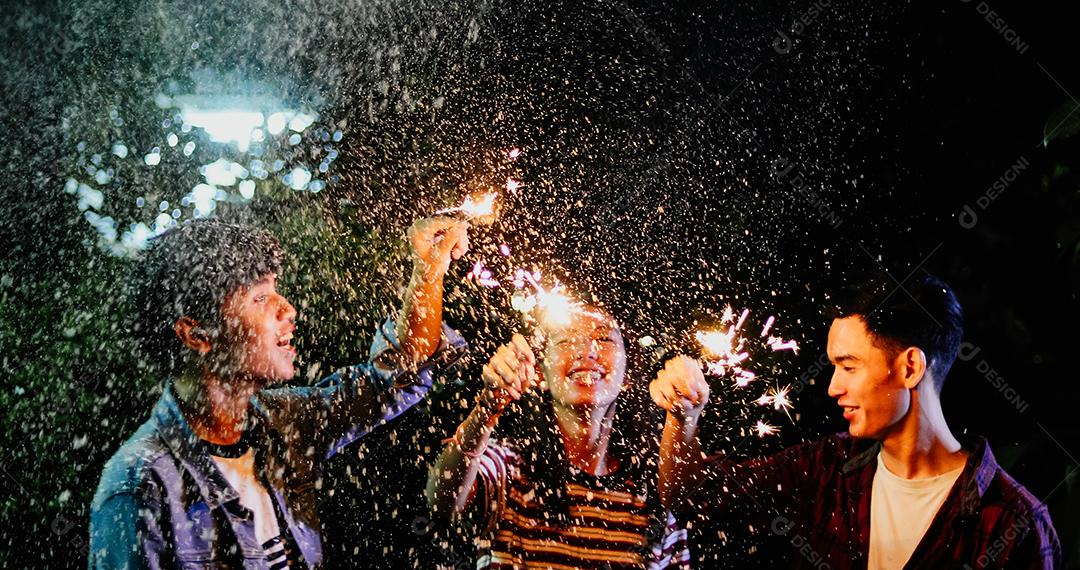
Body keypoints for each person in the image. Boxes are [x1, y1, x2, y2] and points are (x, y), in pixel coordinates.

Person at [89, 216, 470, 568]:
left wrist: (429, 269)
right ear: (197, 334)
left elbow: (398, 373)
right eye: (259, 298)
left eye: (276, 290)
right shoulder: (139, 488)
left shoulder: (284, 423)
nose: (288, 309)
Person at [650, 272, 1061, 569]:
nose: (832, 387)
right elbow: (690, 497)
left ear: (910, 367)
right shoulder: (827, 469)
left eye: (849, 366)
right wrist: (682, 416)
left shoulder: (1013, 523)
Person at [426, 307, 691, 569]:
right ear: (539, 372)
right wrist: (486, 408)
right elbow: (443, 501)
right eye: (565, 339)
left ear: (627, 376)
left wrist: (687, 416)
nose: (586, 351)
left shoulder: (653, 498)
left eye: (604, 338)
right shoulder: (509, 467)